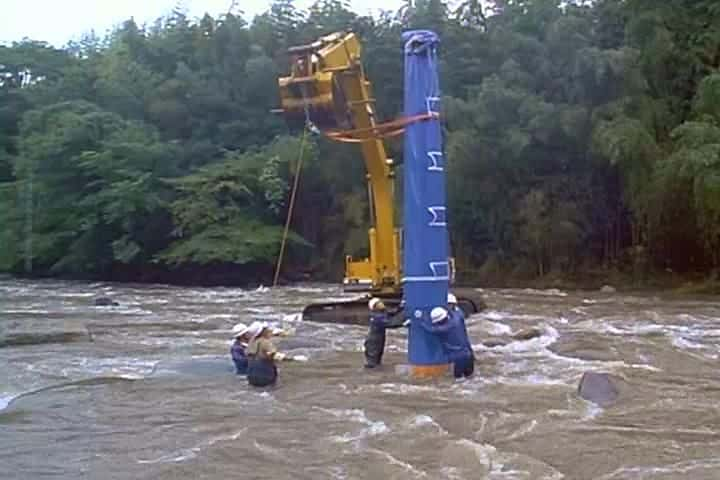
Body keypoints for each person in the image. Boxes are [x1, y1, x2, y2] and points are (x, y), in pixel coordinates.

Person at [425, 306, 475, 379]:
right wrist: (446, 306)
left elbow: (428, 329)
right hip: (468, 354)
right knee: (470, 378)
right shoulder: (457, 319)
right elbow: (457, 312)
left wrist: (416, 322)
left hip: (458, 359)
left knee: (459, 380)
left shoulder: (442, 329)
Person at [363, 297, 406, 369]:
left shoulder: (382, 312)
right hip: (373, 343)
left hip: (378, 341)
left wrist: (401, 306)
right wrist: (404, 322)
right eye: (379, 303)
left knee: (377, 362)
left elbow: (393, 312)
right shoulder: (376, 317)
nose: (381, 303)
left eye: (381, 302)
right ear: (375, 307)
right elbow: (390, 323)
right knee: (373, 364)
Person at [246, 321, 290, 387]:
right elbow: (276, 356)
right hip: (265, 376)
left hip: (251, 376)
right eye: (266, 329)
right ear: (263, 331)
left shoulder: (251, 342)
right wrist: (293, 359)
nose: (268, 330)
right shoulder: (265, 342)